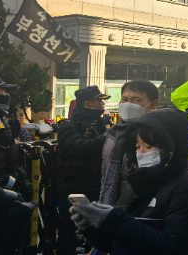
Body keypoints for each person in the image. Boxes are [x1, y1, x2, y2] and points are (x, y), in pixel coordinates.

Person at [69, 108, 188, 255]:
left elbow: (174, 247)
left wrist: (116, 222)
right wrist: (92, 227)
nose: (141, 153)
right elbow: (115, 244)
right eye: (137, 147)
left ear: (172, 148)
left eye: (149, 147)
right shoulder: (139, 181)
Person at [57, 85, 110, 255]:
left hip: (97, 185)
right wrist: (103, 140)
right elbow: (75, 147)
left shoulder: (102, 123)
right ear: (88, 104)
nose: (103, 105)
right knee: (69, 229)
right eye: (99, 101)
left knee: (97, 231)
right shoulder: (69, 126)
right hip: (75, 187)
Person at [99, 80, 158, 206]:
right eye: (124, 99)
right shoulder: (112, 134)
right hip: (110, 207)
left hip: (138, 207)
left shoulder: (154, 137)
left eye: (136, 100)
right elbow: (106, 176)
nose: (128, 104)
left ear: (153, 104)